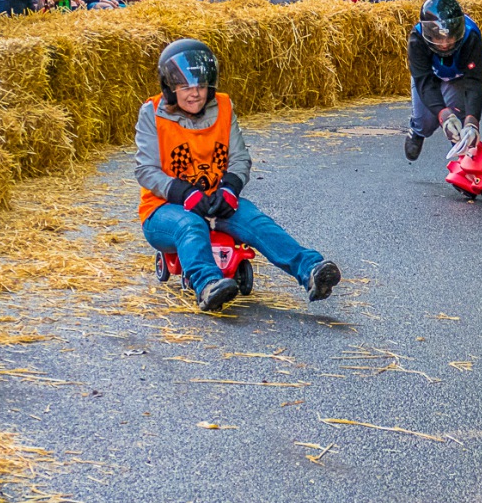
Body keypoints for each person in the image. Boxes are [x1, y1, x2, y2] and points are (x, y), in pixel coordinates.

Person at [136, 39, 342, 311]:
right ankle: (208, 284)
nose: (194, 94)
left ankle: (311, 270)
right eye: (185, 87)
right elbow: (145, 170)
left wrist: (230, 189)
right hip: (165, 209)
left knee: (255, 222)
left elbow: (239, 158)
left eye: (200, 86)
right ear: (171, 88)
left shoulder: (223, 106)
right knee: (190, 225)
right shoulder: (152, 113)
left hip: (214, 200)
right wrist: (184, 193)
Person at [403, 0, 482, 162]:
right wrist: (443, 115)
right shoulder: (416, 39)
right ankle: (418, 131)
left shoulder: (471, 36)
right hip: (429, 78)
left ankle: (464, 157)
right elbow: (423, 80)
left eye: (450, 37)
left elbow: (475, 80)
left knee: (459, 118)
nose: (445, 44)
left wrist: (472, 121)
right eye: (438, 38)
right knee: (426, 121)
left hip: (457, 77)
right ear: (428, 32)